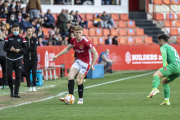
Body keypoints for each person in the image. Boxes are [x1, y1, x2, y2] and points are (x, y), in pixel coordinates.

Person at [53, 25, 98, 104]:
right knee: (70, 76)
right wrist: (57, 55)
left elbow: (95, 53)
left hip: (86, 62)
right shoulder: (73, 40)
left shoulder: (86, 42)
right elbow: (67, 49)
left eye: (80, 33)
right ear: (74, 32)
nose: (78, 34)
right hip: (78, 60)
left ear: (82, 32)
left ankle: (80, 99)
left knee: (78, 80)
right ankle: (70, 97)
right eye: (76, 33)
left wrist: (91, 64)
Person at [147, 34, 180, 105]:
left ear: (161, 41)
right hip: (179, 68)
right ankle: (166, 101)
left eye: (158, 42)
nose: (158, 43)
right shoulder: (172, 47)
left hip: (173, 66)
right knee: (164, 81)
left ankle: (154, 89)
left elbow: (164, 54)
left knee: (156, 75)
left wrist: (164, 65)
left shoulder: (163, 46)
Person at [3, 24, 27, 98]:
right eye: (14, 29)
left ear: (19, 30)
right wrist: (9, 49)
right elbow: (4, 48)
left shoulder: (22, 38)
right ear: (12, 29)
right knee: (9, 76)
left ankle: (16, 93)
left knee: (18, 76)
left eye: (17, 30)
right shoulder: (8, 38)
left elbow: (25, 50)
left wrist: (19, 50)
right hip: (9, 58)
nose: (16, 31)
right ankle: (11, 90)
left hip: (18, 58)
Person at [24, 27, 38, 92]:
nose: (30, 32)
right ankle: (29, 86)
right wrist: (27, 48)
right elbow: (23, 48)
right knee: (27, 73)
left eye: (31, 31)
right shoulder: (24, 39)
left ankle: (34, 86)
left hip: (34, 58)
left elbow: (34, 48)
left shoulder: (34, 39)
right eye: (29, 31)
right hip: (26, 58)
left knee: (34, 71)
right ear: (26, 31)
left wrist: (26, 48)